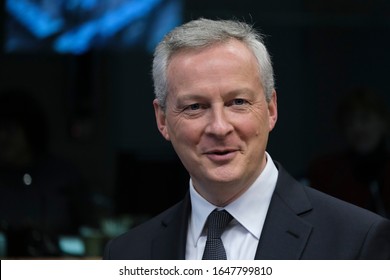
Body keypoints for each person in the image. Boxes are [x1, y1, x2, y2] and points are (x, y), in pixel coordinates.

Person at [103, 18, 390, 260]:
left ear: (271, 109)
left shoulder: (358, 241)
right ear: (162, 120)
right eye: (195, 107)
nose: (219, 126)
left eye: (237, 102)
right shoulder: (127, 254)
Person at [0, 89, 93, 257]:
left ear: (29, 130)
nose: (2, 137)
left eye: (10, 129)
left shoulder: (62, 175)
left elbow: (89, 230)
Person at [307, 88, 390, 218]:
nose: (357, 128)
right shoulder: (328, 172)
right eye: (350, 122)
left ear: (383, 122)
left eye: (365, 119)